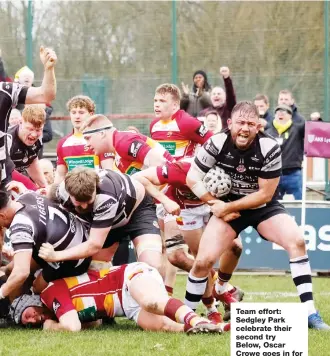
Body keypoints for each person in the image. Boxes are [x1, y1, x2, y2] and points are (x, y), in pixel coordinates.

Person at [183, 100, 329, 330]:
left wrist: (227, 208)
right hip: (226, 206)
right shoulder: (217, 142)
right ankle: (186, 316)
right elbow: (192, 177)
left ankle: (311, 314)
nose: (245, 128)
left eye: (251, 123)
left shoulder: (269, 147)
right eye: (240, 122)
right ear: (230, 123)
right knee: (203, 261)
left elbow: (264, 194)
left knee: (298, 242)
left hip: (263, 207)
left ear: (259, 126)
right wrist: (214, 203)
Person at [133, 160, 244, 323]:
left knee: (235, 246)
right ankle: (211, 307)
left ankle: (222, 289)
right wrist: (164, 200)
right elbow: (138, 177)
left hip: (212, 207)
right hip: (181, 208)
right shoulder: (181, 170)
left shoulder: (228, 169)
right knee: (189, 258)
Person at [8, 262, 228, 334]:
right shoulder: (56, 309)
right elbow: (93, 321)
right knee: (166, 326)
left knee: (150, 302)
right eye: (25, 323)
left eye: (27, 314)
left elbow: (72, 327)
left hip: (128, 277)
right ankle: (210, 327)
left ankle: (195, 319)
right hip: (125, 306)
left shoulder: (49, 294)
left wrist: (50, 326)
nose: (31, 320)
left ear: (33, 303)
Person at [39, 167, 166, 274]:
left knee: (152, 265)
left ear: (96, 187)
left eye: (88, 201)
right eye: (78, 202)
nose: (83, 207)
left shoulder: (105, 196)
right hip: (106, 218)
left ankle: (159, 300)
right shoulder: (60, 192)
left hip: (137, 211)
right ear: (68, 192)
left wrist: (56, 256)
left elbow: (94, 245)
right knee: (94, 268)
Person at [0, 190, 92, 301]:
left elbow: (21, 272)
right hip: (67, 239)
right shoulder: (26, 196)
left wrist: (1, 292)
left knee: (37, 287)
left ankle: (26, 307)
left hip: (73, 259)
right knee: (10, 270)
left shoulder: (20, 226)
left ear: (2, 215)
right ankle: (16, 306)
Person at [0, 46, 57, 188]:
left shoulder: (6, 90)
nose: (35, 134)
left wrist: (49, 69)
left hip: (4, 180)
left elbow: (45, 95)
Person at [81, 114, 174, 175]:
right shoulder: (117, 150)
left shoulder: (123, 142)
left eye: (88, 138)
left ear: (101, 134)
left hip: (172, 196)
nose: (87, 145)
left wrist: (162, 199)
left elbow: (161, 163)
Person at [54, 95, 113, 184]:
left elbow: (109, 172)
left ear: (91, 114)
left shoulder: (100, 139)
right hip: (72, 193)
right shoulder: (62, 143)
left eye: (81, 112)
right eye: (73, 112)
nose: (77, 116)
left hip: (97, 191)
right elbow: (60, 176)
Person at [265, 104, 305, 200]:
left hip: (293, 173)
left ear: (290, 116)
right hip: (274, 175)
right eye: (278, 112)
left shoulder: (297, 129)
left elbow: (312, 129)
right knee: (274, 204)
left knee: (299, 202)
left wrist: (316, 120)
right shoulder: (268, 132)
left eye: (284, 112)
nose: (281, 114)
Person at [8, 105, 47, 188]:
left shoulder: (39, 139)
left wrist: (45, 188)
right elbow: (7, 170)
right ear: (20, 122)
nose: (34, 135)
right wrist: (32, 188)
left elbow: (32, 162)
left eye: (38, 130)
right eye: (30, 129)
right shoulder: (7, 140)